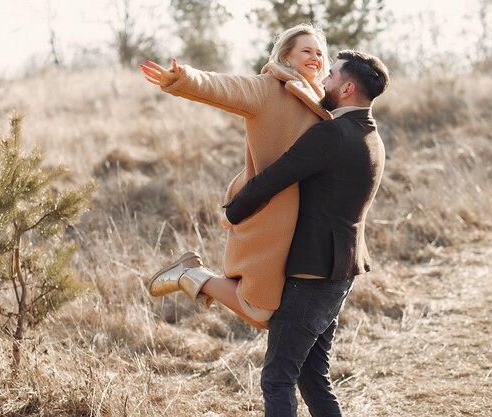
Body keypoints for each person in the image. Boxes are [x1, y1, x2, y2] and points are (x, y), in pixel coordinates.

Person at [222, 50, 390, 416]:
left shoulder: (332, 134)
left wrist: (234, 212)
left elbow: (276, 176)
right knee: (313, 378)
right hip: (342, 270)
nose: (324, 81)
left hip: (312, 273)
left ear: (346, 88)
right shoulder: (372, 136)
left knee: (277, 378)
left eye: (330, 75)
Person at [140, 24, 332, 329]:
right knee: (260, 312)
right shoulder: (269, 88)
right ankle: (191, 274)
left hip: (308, 220)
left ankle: (192, 275)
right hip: (273, 213)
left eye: (320, 53)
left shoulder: (324, 99)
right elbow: (224, 87)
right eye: (306, 51)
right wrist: (184, 78)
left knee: (279, 310)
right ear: (286, 55)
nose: (315, 58)